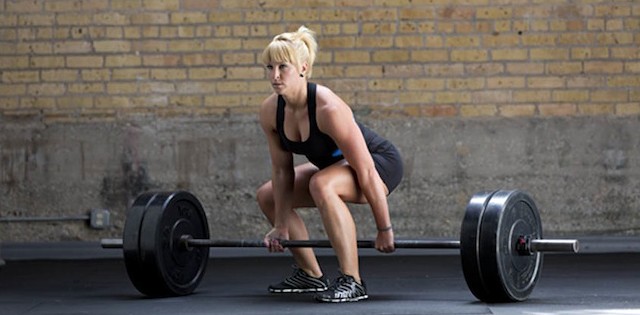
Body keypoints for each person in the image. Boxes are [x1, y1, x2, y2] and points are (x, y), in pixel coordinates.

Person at [256, 26, 403, 303]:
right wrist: (280, 224)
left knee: (320, 183)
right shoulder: (270, 111)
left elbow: (367, 170)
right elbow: (281, 171)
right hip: (337, 168)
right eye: (269, 67)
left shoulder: (328, 108)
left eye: (283, 67)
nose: (274, 75)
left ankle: (353, 280)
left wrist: (384, 229)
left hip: (379, 164)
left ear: (303, 67)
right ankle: (310, 273)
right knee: (268, 195)